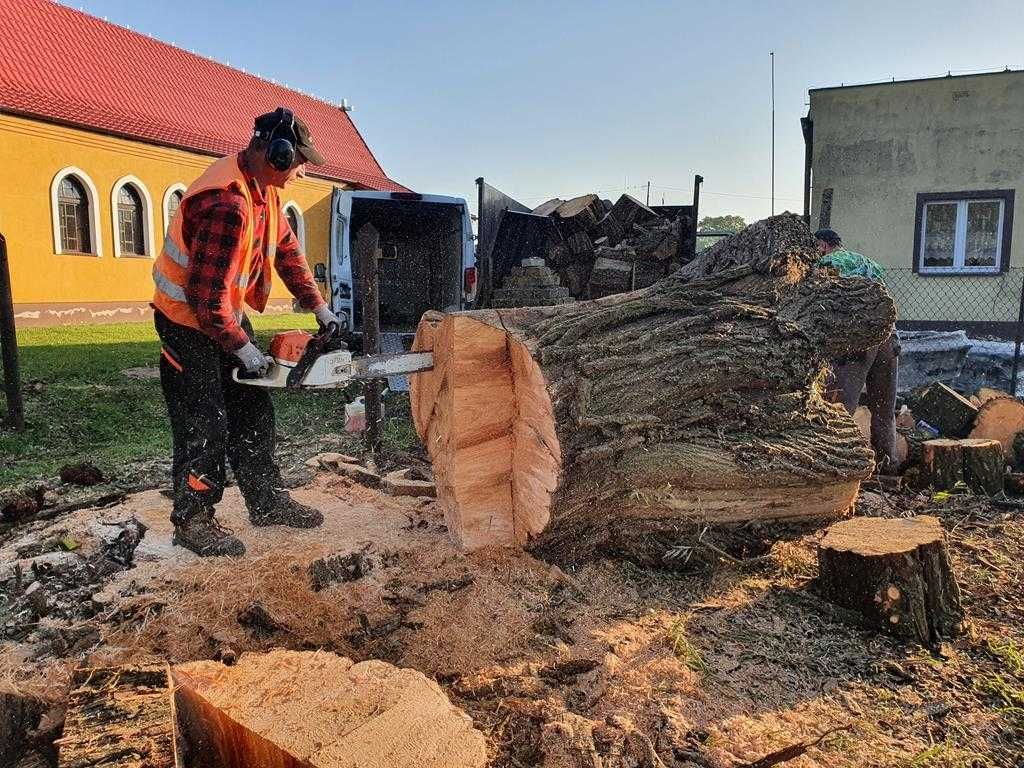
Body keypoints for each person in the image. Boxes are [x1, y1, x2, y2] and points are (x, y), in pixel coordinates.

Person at [152, 107, 341, 557]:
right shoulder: (227, 204)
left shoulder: (263, 193)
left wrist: (319, 307)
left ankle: (267, 500)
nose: (299, 172)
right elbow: (203, 298)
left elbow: (287, 250)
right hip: (187, 320)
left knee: (253, 410)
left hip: (224, 313)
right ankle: (194, 519)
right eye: (297, 162)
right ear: (274, 153)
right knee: (205, 421)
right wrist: (244, 350)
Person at [814, 228, 900, 472]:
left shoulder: (827, 263)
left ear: (822, 245)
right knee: (884, 406)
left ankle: (835, 463)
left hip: (858, 340)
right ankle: (888, 464)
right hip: (889, 338)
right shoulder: (869, 263)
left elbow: (825, 305)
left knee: (841, 405)